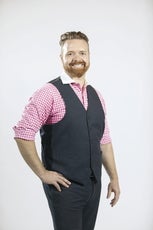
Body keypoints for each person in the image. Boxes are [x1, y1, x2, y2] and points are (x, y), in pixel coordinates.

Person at [13, 31, 120, 230]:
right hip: (65, 188)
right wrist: (43, 174)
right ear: (61, 57)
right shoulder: (49, 92)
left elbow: (104, 140)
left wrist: (114, 178)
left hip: (93, 186)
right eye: (70, 53)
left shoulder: (97, 95)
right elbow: (23, 133)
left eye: (82, 53)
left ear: (89, 56)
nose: (77, 58)